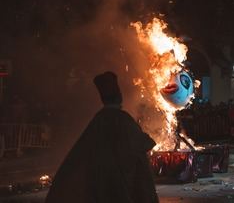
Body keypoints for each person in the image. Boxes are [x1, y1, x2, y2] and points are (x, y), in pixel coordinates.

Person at [45, 71, 159, 203]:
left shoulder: (98, 119)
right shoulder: (123, 119)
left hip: (103, 174)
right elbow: (141, 143)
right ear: (118, 96)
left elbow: (84, 148)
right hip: (120, 174)